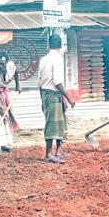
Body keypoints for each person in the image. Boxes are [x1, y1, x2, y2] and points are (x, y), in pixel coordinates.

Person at [38, 34, 75, 164]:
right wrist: (69, 98)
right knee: (52, 124)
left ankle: (58, 151)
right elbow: (58, 82)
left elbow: (40, 82)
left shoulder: (43, 59)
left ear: (49, 45)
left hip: (46, 93)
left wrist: (42, 99)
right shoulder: (57, 58)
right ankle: (48, 154)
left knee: (60, 122)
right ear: (61, 45)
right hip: (53, 93)